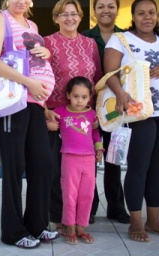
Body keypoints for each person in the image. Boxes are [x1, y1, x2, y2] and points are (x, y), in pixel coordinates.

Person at [103, 0, 159, 242]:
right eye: (141, 13)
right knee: (139, 167)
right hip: (138, 112)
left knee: (158, 168)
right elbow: (109, 72)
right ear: (133, 17)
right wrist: (120, 92)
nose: (147, 17)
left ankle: (154, 221)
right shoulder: (121, 39)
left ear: (157, 15)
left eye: (151, 12)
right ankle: (136, 222)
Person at [0, 0, 58, 249]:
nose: (21, 0)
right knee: (14, 169)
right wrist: (29, 82)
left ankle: (37, 225)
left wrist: (45, 103)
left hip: (35, 104)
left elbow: (36, 63)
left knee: (42, 163)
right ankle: (13, 232)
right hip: (11, 103)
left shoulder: (32, 24)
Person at [44, 0, 102, 231]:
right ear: (56, 18)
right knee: (57, 169)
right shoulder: (47, 43)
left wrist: (97, 110)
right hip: (57, 116)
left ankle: (83, 216)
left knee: (85, 169)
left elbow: (97, 78)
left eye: (74, 13)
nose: (69, 18)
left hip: (85, 117)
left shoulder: (90, 44)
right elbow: (39, 77)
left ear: (80, 16)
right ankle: (59, 217)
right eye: (63, 14)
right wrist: (45, 112)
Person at [82, 0, 130, 224]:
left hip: (116, 105)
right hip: (89, 105)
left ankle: (116, 206)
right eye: (100, 7)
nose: (106, 11)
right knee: (89, 157)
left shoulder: (127, 37)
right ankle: (89, 207)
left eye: (111, 6)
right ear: (94, 11)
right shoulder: (85, 37)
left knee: (113, 157)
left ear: (117, 10)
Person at [54, 76, 104, 245]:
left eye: (84, 97)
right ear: (68, 95)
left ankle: (81, 227)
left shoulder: (91, 114)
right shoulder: (60, 112)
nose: (80, 101)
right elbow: (47, 119)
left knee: (87, 194)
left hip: (89, 159)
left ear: (90, 97)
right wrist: (48, 118)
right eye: (76, 96)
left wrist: (99, 148)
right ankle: (69, 227)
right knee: (69, 194)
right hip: (69, 159)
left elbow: (95, 134)